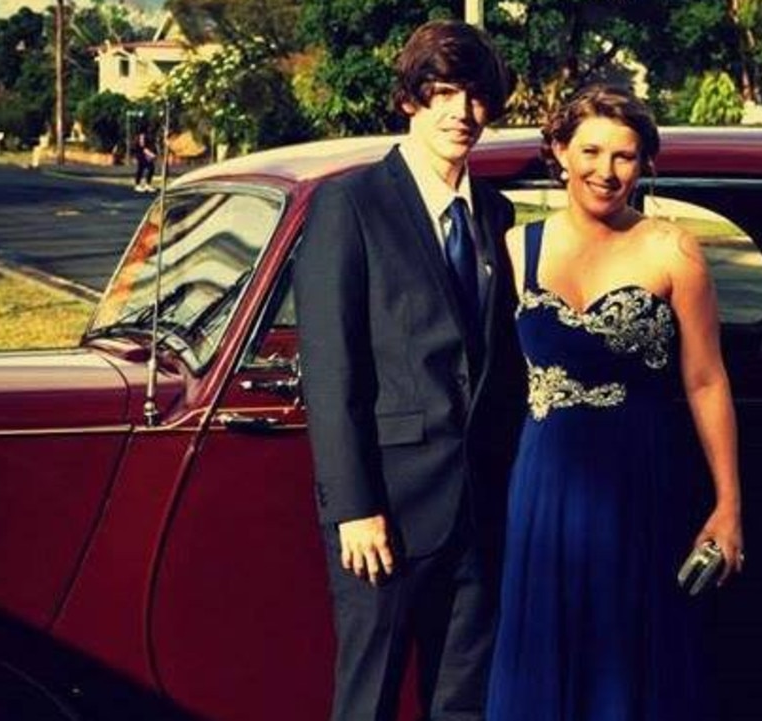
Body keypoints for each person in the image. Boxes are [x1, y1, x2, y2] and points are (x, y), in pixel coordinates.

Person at [486, 84, 745, 721]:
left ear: (644, 164)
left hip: (640, 483)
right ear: (559, 152)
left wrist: (728, 506)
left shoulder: (672, 250)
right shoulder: (518, 250)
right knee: (545, 646)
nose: (606, 171)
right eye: (592, 151)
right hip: (544, 482)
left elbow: (707, 380)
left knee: (634, 657)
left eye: (625, 156)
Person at [293, 20, 525, 721]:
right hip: (386, 510)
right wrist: (355, 506)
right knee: (368, 697)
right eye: (444, 92)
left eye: (476, 95)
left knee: (464, 700)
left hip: (480, 508)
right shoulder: (349, 204)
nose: (462, 112)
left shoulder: (494, 212)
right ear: (411, 100)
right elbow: (331, 370)